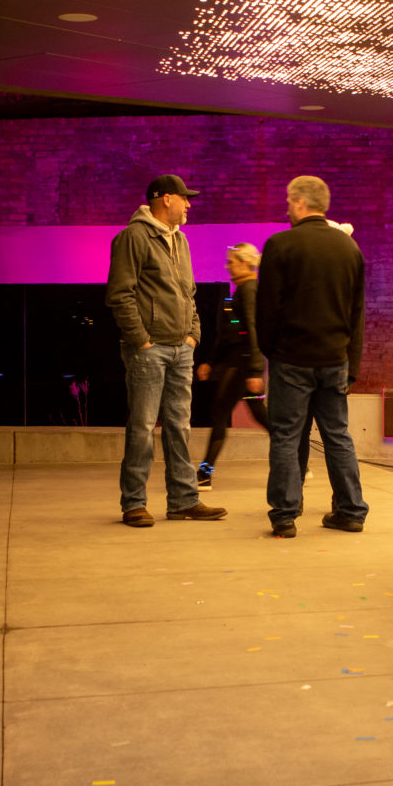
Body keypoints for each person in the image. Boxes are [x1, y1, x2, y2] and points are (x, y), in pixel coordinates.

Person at [105, 174, 225, 527]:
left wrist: (193, 334)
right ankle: (134, 504)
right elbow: (119, 294)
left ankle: (184, 501)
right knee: (142, 427)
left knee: (179, 426)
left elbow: (189, 293)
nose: (189, 204)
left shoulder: (181, 241)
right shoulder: (133, 238)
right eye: (185, 198)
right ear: (166, 199)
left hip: (180, 349)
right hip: (149, 348)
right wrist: (141, 339)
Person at [255, 175, 368, 538]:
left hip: (292, 358)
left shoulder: (280, 245)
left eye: (289, 202)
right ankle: (350, 510)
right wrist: (351, 364)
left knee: (287, 436)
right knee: (338, 435)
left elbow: (267, 308)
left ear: (301, 203)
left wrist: (271, 350)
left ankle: (285, 515)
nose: (287, 208)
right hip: (335, 359)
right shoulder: (349, 249)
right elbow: (357, 314)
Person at [195, 244, 266, 491]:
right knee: (260, 415)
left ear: (246, 264)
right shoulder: (237, 294)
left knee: (219, 413)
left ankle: (204, 473)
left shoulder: (249, 291)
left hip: (243, 365)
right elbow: (230, 333)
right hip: (240, 362)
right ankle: (299, 462)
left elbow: (252, 329)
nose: (228, 266)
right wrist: (210, 362)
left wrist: (256, 370)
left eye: (232, 261)